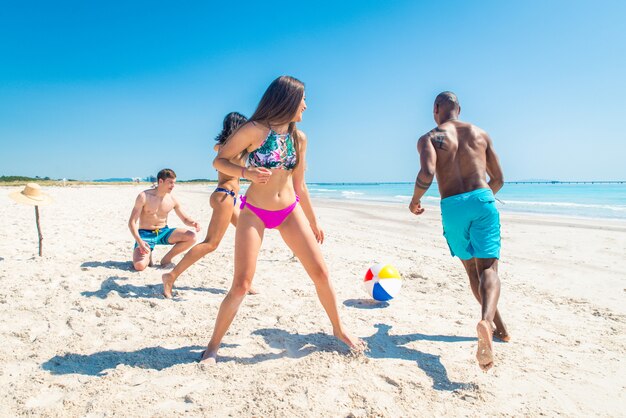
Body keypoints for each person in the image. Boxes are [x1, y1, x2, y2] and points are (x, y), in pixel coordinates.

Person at [200, 75, 365, 364]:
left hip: (290, 211)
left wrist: (313, 221)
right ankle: (213, 346)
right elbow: (220, 160)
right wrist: (246, 173)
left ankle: (339, 330)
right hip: (255, 213)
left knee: (321, 274)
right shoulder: (254, 130)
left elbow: (300, 184)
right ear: (288, 99)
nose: (306, 106)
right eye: (303, 99)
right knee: (241, 283)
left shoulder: (299, 138)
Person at [408, 91, 509, 371]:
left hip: (452, 206)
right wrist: (483, 199)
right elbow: (498, 178)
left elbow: (427, 174)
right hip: (482, 198)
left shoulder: (429, 137)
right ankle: (488, 323)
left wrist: (415, 199)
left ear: (436, 108)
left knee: (472, 272)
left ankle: (497, 327)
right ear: (459, 109)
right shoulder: (481, 134)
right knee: (489, 268)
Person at [162, 112, 254, 298]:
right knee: (211, 244)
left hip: (227, 197)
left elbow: (216, 146)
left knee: (248, 237)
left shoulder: (223, 147)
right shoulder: (240, 148)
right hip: (225, 197)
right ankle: (171, 276)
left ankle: (245, 282)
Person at [128, 168, 200, 271]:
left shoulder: (172, 199)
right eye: (170, 182)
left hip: (163, 232)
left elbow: (184, 218)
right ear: (160, 181)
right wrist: (139, 241)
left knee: (191, 237)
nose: (173, 185)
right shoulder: (144, 196)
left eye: (174, 182)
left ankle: (166, 259)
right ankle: (148, 255)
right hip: (145, 235)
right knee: (139, 266)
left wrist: (193, 223)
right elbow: (132, 222)